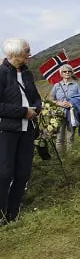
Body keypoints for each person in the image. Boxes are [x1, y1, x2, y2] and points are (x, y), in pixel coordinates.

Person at [0, 39, 41, 225]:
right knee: (4, 173)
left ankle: (12, 213)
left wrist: (36, 109)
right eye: (27, 50)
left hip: (27, 130)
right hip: (7, 130)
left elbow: (36, 98)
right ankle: (1, 214)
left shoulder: (27, 74)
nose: (29, 54)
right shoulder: (1, 73)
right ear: (15, 53)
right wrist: (24, 112)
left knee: (23, 173)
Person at [48, 64, 80, 155]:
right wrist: (59, 103)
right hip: (59, 114)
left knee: (70, 138)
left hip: (72, 114)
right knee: (59, 138)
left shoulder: (76, 85)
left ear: (71, 73)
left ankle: (69, 158)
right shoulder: (57, 86)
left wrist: (71, 103)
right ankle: (61, 158)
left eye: (69, 71)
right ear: (61, 74)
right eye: (64, 71)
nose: (67, 73)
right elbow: (51, 99)